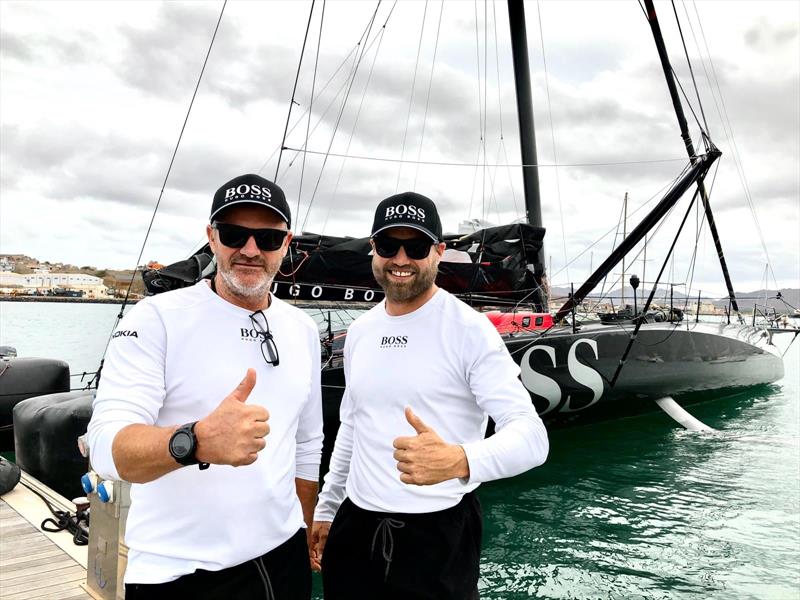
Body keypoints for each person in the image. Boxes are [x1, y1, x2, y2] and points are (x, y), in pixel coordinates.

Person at [87, 174, 323, 600]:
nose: (251, 250)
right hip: (179, 570)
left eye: (267, 238)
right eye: (235, 234)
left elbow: (307, 442)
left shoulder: (302, 328)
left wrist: (304, 524)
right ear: (211, 237)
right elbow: (105, 447)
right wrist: (194, 441)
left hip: (283, 558)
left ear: (286, 244)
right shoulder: (155, 319)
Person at [310, 192, 549, 599]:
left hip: (437, 535)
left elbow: (532, 437)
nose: (400, 259)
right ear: (373, 249)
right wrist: (328, 508)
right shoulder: (361, 332)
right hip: (356, 527)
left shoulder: (469, 330)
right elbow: (352, 425)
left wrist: (461, 459)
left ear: (438, 252)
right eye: (389, 246)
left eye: (416, 246)